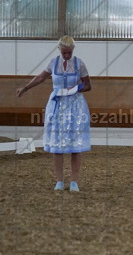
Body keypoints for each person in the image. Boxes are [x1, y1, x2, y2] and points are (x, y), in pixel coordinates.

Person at [15, 36, 92, 191]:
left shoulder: (79, 64)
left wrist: (74, 89)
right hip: (57, 104)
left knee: (75, 144)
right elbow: (41, 77)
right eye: (64, 53)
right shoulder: (53, 62)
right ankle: (59, 181)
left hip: (75, 105)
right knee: (57, 143)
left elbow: (88, 85)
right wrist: (25, 88)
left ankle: (74, 181)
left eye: (69, 52)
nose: (67, 56)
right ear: (59, 50)